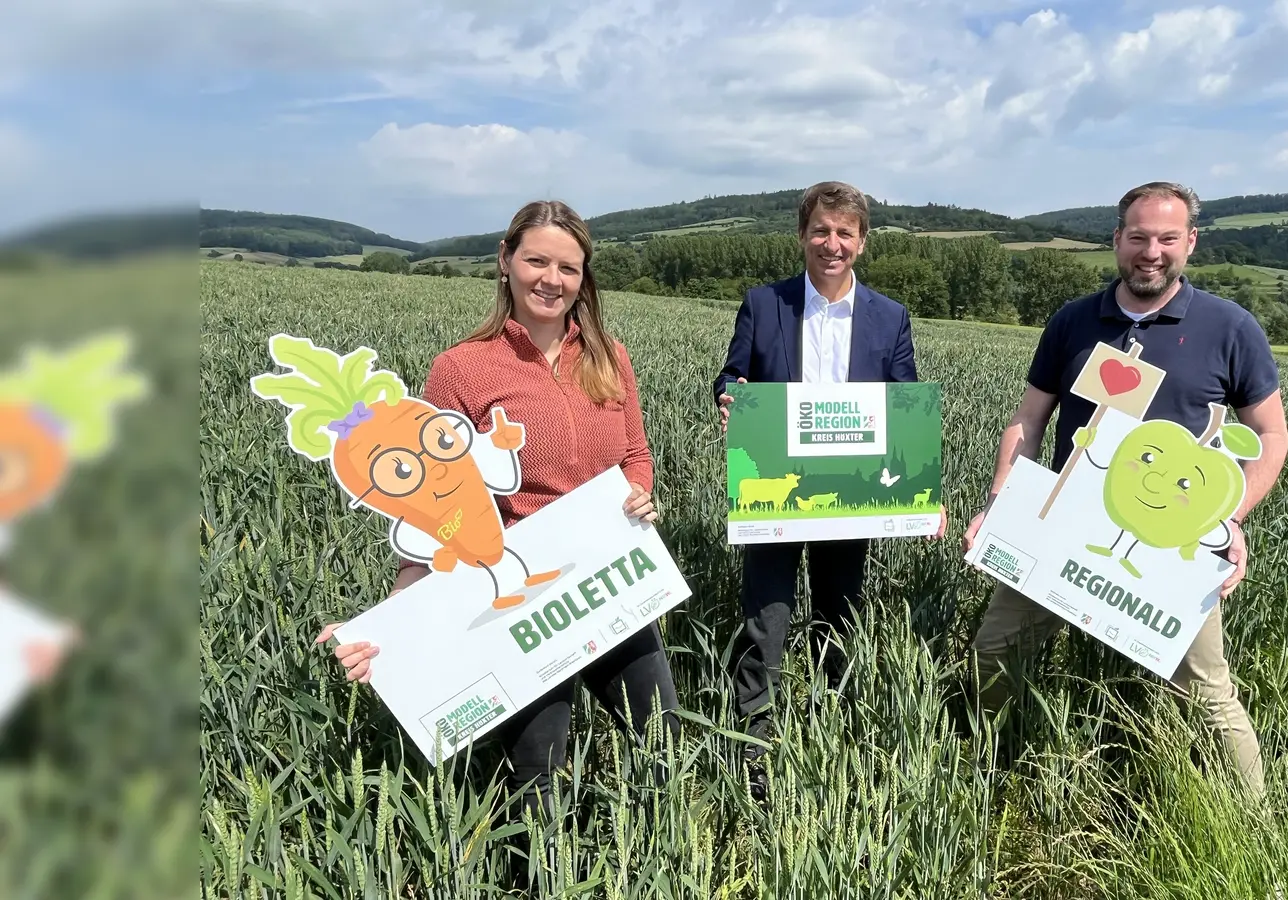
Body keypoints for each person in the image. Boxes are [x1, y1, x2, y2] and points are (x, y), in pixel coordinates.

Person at [314, 199, 682, 855]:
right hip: (516, 606)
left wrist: (639, 495)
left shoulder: (608, 357)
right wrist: (389, 622)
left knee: (661, 742)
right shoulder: (462, 369)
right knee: (539, 777)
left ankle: (656, 866)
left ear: (584, 277)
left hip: (609, 583)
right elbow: (428, 506)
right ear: (505, 261)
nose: (552, 278)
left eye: (568, 267)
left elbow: (636, 454)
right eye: (537, 260)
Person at [960, 181, 1288, 798]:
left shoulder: (1230, 327)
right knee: (993, 654)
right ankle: (987, 778)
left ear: (1190, 242)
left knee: (1209, 699)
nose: (1151, 251)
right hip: (1065, 527)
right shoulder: (1074, 322)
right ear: (1117, 240)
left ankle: (1257, 833)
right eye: (1138, 237)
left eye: (1167, 238)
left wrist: (1229, 519)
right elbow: (1028, 421)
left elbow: (1271, 436)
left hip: (1175, 540)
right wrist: (1001, 503)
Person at [713, 180, 938, 800]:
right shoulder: (765, 304)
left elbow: (904, 407)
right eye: (820, 231)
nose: (831, 244)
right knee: (767, 621)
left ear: (861, 243)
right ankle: (755, 756)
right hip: (775, 490)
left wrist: (921, 492)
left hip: (851, 492)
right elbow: (732, 372)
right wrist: (730, 393)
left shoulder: (889, 317)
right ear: (802, 235)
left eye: (844, 233)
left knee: (838, 617)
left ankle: (827, 737)